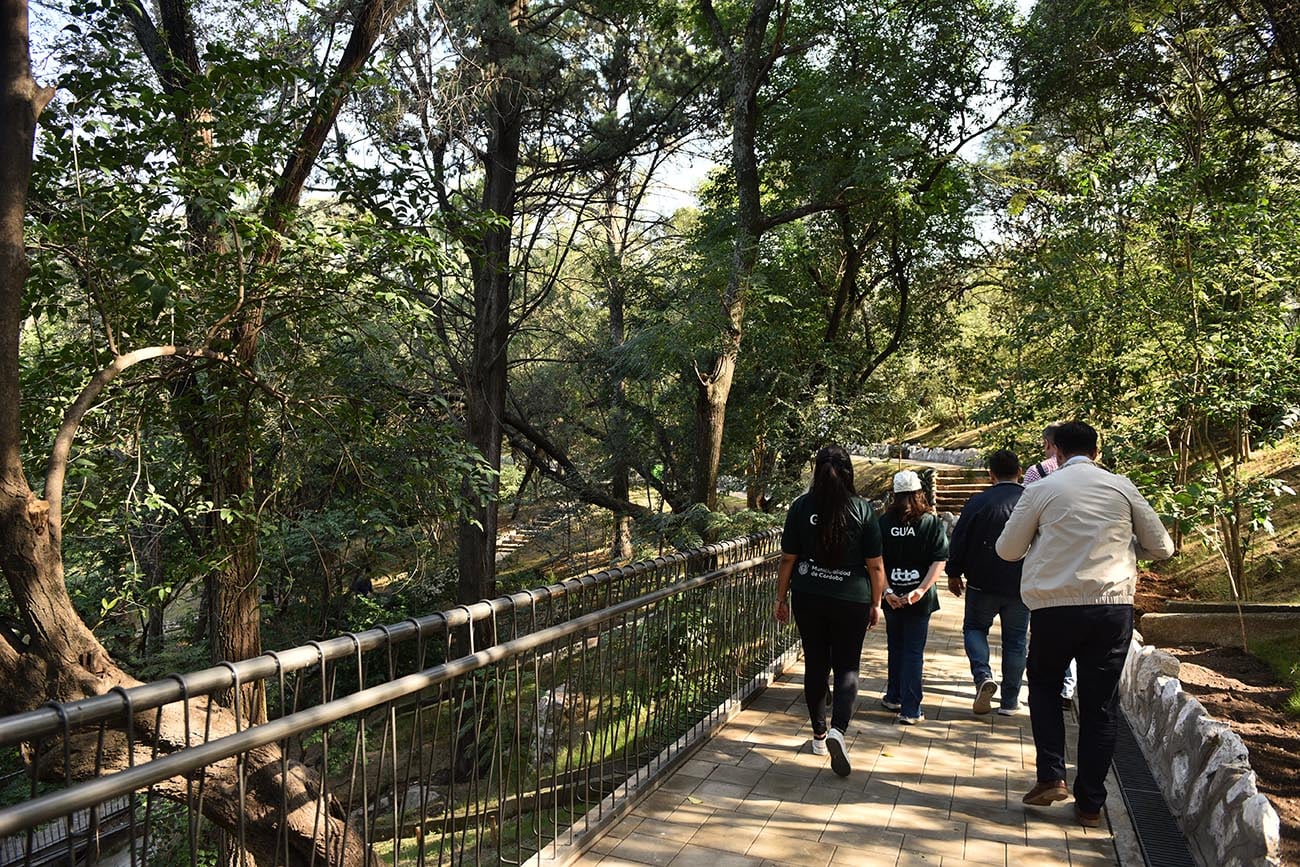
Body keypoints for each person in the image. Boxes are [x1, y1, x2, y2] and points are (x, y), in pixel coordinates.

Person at [996, 421, 1174, 828]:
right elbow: (1162, 547)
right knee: (1100, 705)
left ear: (1055, 450)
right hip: (1111, 609)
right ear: (1097, 449)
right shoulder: (1122, 487)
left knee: (1042, 685)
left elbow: (1008, 550)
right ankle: (1091, 804)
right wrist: (1126, 549)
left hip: (1054, 609)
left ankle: (1051, 775)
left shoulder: (1041, 490)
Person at [775, 445, 886, 777]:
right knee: (848, 666)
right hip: (852, 597)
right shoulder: (863, 510)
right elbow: (876, 566)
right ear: (849, 472)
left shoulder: (800, 507)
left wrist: (781, 598)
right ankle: (839, 728)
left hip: (809, 596)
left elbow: (787, 560)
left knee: (816, 664)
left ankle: (819, 736)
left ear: (815, 470)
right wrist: (876, 602)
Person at [946, 449, 1027, 715]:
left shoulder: (978, 502)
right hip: (1021, 583)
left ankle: (983, 676)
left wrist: (954, 572)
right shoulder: (1031, 500)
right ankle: (1010, 701)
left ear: (990, 475)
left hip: (982, 581)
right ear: (1019, 471)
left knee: (974, 628)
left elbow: (960, 538)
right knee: (1015, 641)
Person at [878, 470, 949, 726]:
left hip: (892, 596)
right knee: (913, 651)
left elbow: (876, 561)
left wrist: (886, 591)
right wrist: (920, 590)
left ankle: (894, 696)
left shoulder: (884, 523)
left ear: (894, 495)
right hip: (919, 599)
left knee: (896, 645)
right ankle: (910, 708)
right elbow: (939, 559)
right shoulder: (930, 522)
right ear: (920, 492)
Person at [1023, 422, 1076, 708]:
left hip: (1050, 565)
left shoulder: (1037, 472)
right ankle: (1068, 689)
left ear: (1049, 444)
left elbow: (1024, 517)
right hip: (1089, 570)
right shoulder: (1104, 480)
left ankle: (1052, 685)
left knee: (1053, 633)